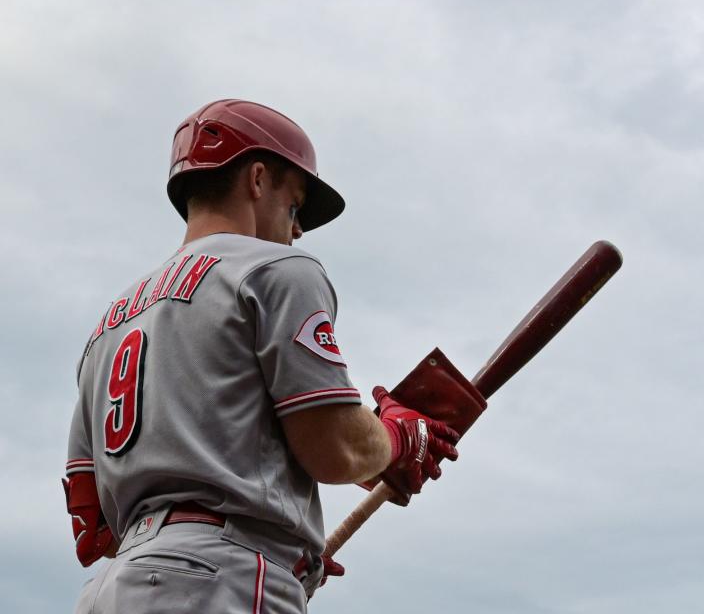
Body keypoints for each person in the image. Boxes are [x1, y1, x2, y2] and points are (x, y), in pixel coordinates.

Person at [63, 99, 460, 613]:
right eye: (295, 207)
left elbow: (93, 528)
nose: (297, 231)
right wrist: (401, 437)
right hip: (213, 580)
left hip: (111, 591)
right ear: (256, 179)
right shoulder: (275, 269)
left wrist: (286, 544)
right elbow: (334, 447)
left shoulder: (108, 325)